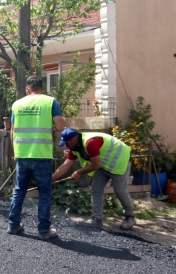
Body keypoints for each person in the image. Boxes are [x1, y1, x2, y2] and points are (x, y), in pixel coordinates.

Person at [8, 76, 66, 240]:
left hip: (22, 154)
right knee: (45, 193)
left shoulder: (17, 104)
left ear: (28, 89)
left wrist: (15, 153)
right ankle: (44, 230)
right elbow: (61, 126)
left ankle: (13, 225)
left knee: (19, 190)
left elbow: (12, 131)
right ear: (42, 88)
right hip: (41, 154)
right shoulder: (50, 102)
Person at [52, 128, 136, 230]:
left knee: (120, 191)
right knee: (96, 189)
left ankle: (130, 217)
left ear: (73, 140)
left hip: (118, 161)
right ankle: (96, 220)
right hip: (103, 164)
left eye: (67, 143)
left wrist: (78, 172)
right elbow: (64, 166)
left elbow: (95, 165)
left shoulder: (90, 142)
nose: (66, 146)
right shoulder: (75, 148)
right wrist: (50, 180)